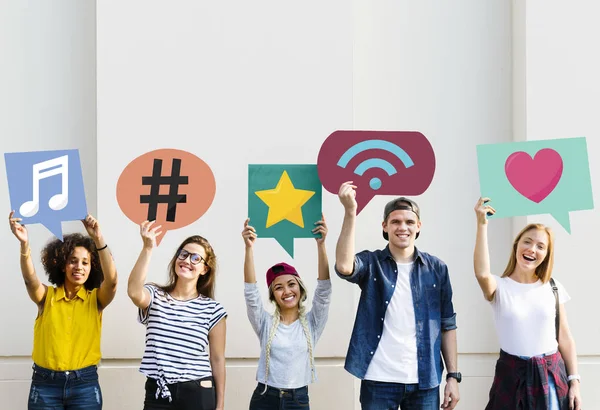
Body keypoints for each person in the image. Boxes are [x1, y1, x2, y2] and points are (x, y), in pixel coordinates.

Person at [334, 181, 460, 410]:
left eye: (409, 222)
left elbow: (447, 325)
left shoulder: (437, 269)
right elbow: (344, 266)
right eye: (396, 222)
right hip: (378, 380)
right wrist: (350, 212)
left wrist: (453, 376)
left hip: (424, 382)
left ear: (419, 226)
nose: (403, 227)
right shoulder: (372, 264)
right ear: (385, 226)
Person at [473, 197, 582, 410]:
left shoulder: (553, 287)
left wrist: (574, 381)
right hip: (510, 375)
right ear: (517, 245)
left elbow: (565, 337)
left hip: (550, 375)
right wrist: (482, 224)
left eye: (540, 246)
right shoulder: (499, 287)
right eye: (527, 241)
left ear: (546, 255)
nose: (532, 249)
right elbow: (481, 272)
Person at [8, 211, 118, 410]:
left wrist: (99, 239)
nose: (79, 267)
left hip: (84, 385)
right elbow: (29, 279)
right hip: (45, 385)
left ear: (92, 267)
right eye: (73, 261)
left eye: (85, 262)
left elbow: (112, 283)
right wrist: (24, 244)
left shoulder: (96, 300)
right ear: (62, 265)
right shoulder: (46, 297)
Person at [127, 220, 227, 410]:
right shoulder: (155, 295)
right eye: (183, 254)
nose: (187, 260)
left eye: (195, 258)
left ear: (205, 269)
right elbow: (133, 291)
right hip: (159, 391)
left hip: (198, 390)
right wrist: (148, 248)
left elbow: (217, 359)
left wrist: (220, 404)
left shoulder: (213, 309)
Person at [241, 215, 331, 410]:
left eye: (291, 284)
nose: (287, 291)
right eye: (279, 287)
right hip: (265, 397)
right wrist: (249, 248)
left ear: (300, 288)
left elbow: (324, 291)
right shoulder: (264, 323)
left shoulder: (312, 323)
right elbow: (251, 293)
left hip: (297, 400)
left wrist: (321, 245)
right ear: (273, 295)